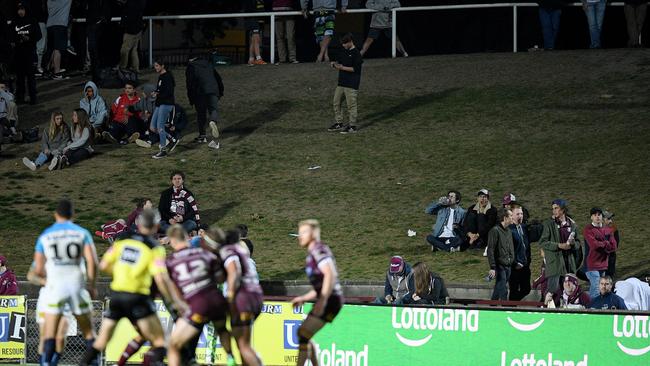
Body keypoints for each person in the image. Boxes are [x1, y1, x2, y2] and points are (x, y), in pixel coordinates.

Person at [80, 209, 186, 366]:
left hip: (116, 295)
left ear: (138, 224)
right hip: (138, 297)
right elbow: (161, 278)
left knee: (101, 341)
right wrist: (174, 301)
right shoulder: (155, 247)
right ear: (156, 226)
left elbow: (103, 265)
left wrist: (121, 275)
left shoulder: (122, 239)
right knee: (159, 341)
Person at [33, 199, 98, 366]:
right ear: (73, 215)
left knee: (49, 335)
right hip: (76, 286)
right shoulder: (82, 233)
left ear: (55, 215)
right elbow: (93, 262)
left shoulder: (45, 235)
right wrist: (91, 285)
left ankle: (46, 363)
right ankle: (94, 362)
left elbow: (38, 269)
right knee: (89, 333)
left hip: (55, 289)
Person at [165, 225, 235, 366]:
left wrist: (181, 304)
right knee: (221, 329)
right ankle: (231, 359)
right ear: (186, 237)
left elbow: (172, 289)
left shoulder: (170, 261)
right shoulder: (204, 253)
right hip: (216, 299)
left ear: (172, 241)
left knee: (173, 345)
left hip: (198, 303)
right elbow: (221, 278)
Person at [291, 219, 344, 366]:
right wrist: (304, 298)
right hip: (330, 299)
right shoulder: (311, 255)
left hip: (331, 301)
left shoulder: (318, 250)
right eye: (299, 232)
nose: (299, 236)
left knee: (303, 334)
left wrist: (322, 300)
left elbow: (330, 275)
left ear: (314, 234)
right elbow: (320, 287)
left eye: (303, 232)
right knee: (304, 334)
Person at [215, 229, 263, 366]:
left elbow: (233, 274)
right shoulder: (248, 261)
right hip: (252, 300)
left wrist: (229, 296)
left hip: (241, 301)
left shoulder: (231, 255)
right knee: (241, 344)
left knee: (243, 345)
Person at [27, 261, 70, 366]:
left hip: (65, 297)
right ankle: (45, 363)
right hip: (46, 298)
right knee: (44, 336)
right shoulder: (45, 253)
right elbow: (31, 276)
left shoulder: (71, 253)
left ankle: (53, 362)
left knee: (60, 337)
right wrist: (45, 281)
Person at [539, 199, 583, 295]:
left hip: (569, 264)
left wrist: (573, 244)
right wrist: (559, 245)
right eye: (553, 209)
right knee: (552, 292)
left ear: (563, 210)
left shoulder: (572, 224)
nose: (553, 211)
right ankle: (547, 309)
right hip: (555, 265)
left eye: (556, 208)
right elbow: (542, 242)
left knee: (569, 292)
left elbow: (578, 243)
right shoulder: (548, 224)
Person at [328, 33, 363, 134]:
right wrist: (334, 63)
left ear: (350, 41)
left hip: (351, 84)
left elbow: (355, 69)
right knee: (336, 102)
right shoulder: (344, 51)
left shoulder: (356, 53)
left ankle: (352, 126)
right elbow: (339, 61)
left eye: (344, 43)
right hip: (341, 83)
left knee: (351, 105)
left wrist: (342, 68)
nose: (343, 45)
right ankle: (339, 123)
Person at [185, 53, 224, 143]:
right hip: (213, 90)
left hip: (200, 92)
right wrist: (220, 91)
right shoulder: (208, 64)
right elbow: (218, 78)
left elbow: (190, 84)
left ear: (191, 60)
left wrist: (191, 98)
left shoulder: (191, 66)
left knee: (201, 114)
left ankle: (202, 136)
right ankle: (213, 121)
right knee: (213, 109)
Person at [583, 207, 617, 300]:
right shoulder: (588, 229)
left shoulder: (608, 230)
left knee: (603, 289)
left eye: (599, 215)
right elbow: (594, 245)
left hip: (603, 265)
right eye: (595, 215)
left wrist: (602, 244)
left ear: (602, 216)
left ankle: (600, 308)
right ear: (591, 217)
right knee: (596, 289)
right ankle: (593, 310)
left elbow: (614, 247)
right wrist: (606, 243)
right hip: (591, 265)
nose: (597, 217)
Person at [11, 3, 41, 105]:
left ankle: (33, 98)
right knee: (19, 78)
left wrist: (29, 39)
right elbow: (10, 36)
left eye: (22, 9)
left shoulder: (32, 20)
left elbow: (38, 35)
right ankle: (20, 98)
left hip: (30, 53)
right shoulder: (14, 22)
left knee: (31, 77)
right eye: (19, 9)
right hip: (18, 54)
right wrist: (18, 39)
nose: (21, 12)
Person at [487, 208, 514, 301]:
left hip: (508, 264)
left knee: (499, 286)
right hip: (499, 265)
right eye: (510, 216)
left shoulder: (509, 231)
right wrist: (493, 267)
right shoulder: (495, 230)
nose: (512, 217)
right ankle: (505, 308)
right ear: (505, 218)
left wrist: (512, 259)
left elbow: (510, 247)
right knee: (503, 288)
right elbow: (490, 249)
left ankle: (492, 305)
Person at [150, 60, 175, 159]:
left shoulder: (168, 77)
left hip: (166, 104)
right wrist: (155, 92)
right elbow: (160, 89)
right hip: (160, 103)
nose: (155, 67)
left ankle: (163, 150)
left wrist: (158, 94)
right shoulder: (160, 76)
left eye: (157, 66)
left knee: (160, 126)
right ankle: (171, 139)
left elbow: (169, 92)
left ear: (162, 66)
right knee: (152, 127)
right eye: (155, 66)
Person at [509, 204, 532, 301]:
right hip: (514, 266)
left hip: (525, 264)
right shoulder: (509, 230)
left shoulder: (524, 227)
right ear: (512, 215)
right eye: (517, 214)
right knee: (514, 290)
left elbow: (526, 245)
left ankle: (510, 304)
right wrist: (514, 263)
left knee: (526, 289)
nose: (520, 216)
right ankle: (509, 308)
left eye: (521, 213)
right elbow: (507, 250)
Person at [44, 0, 72, 79]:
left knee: (51, 48)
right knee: (58, 49)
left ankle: (48, 70)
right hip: (60, 25)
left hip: (50, 25)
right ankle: (57, 72)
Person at [118, 0, 145, 71]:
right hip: (138, 28)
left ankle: (122, 68)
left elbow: (129, 16)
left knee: (124, 50)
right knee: (134, 50)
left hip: (131, 30)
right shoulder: (139, 3)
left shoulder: (131, 4)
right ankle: (136, 69)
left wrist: (122, 24)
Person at [243, 0, 268, 66]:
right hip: (253, 20)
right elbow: (249, 8)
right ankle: (258, 58)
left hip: (257, 20)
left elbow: (262, 8)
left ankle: (251, 59)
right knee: (256, 39)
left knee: (253, 40)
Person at [603, 210, 619, 277]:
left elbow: (616, 244)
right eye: (608, 219)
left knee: (609, 278)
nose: (611, 221)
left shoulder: (613, 229)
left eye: (611, 219)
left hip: (610, 257)